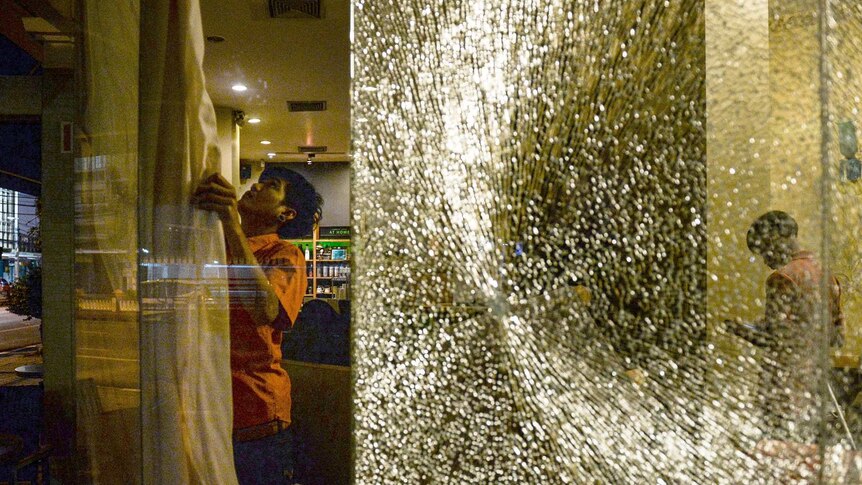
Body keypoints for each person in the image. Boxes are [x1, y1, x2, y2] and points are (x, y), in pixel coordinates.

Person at [193, 166, 322, 484]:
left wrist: (229, 223)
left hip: (257, 414)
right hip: (211, 407)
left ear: (286, 213)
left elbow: (265, 310)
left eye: (271, 186)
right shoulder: (215, 245)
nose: (257, 186)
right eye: (260, 181)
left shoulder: (285, 254)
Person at [740, 210, 842, 442]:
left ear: (777, 239)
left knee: (779, 455)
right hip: (818, 384)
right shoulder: (828, 275)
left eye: (764, 250)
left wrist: (745, 331)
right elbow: (837, 337)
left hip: (784, 387)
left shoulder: (782, 278)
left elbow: (777, 337)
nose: (766, 260)